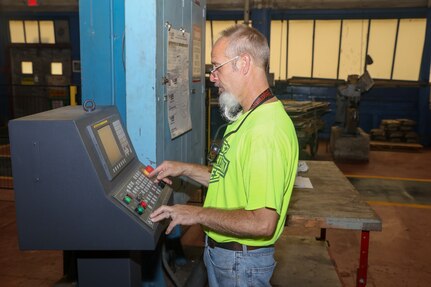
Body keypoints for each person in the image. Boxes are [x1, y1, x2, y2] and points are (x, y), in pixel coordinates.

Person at [149, 24, 298, 286]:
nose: (212, 77)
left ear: (243, 63)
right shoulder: (249, 117)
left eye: (217, 67)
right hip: (228, 257)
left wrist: (196, 214)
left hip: (241, 265)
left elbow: (263, 223)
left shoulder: (266, 131)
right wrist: (183, 168)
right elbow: (229, 178)